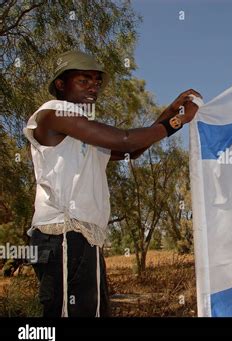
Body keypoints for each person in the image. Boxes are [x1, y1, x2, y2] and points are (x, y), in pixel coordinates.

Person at [23, 50, 202, 317]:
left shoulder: (81, 133)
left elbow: (132, 149)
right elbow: (126, 139)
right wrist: (176, 122)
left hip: (82, 238)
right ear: (61, 84)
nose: (93, 87)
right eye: (84, 80)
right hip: (62, 236)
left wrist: (168, 114)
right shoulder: (53, 112)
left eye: (96, 81)